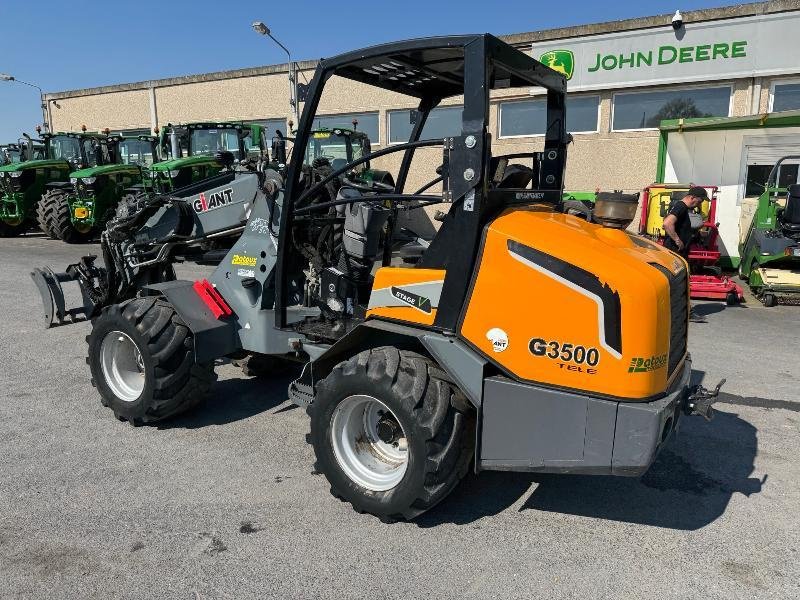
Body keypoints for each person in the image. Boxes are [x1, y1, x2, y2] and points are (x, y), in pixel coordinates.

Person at [663, 186, 708, 257]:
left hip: (678, 250)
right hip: (674, 250)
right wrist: (678, 241)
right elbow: (667, 223)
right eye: (699, 202)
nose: (699, 205)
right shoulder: (681, 206)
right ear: (692, 198)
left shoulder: (684, 208)